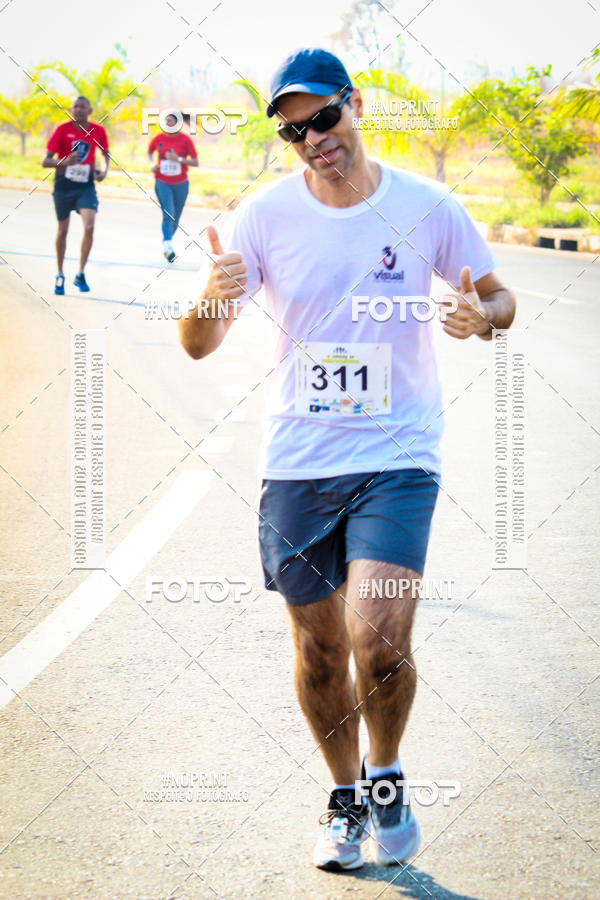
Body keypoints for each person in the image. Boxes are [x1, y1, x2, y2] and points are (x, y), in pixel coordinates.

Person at [179, 48, 516, 871]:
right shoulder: (262, 216)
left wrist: (484, 314)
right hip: (298, 461)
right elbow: (195, 344)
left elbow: (500, 295)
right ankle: (343, 793)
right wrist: (211, 297)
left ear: (353, 104)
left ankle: (389, 774)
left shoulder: (426, 204)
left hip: (400, 454)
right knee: (321, 649)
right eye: (294, 131)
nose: (314, 139)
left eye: (324, 118)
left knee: (381, 638)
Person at [42, 96, 109, 295]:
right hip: (63, 186)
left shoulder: (98, 131)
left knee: (89, 225)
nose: (79, 110)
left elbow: (106, 153)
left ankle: (80, 273)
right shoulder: (62, 130)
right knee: (63, 231)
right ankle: (60, 273)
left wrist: (104, 171)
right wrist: (64, 162)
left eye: (83, 107)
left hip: (85, 186)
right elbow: (45, 161)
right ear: (71, 109)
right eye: (76, 107)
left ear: (90, 110)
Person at [147, 113, 198, 262]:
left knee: (176, 217)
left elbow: (195, 161)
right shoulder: (159, 138)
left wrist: (179, 159)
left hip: (181, 183)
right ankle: (168, 247)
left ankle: (167, 238)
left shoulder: (185, 140)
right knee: (168, 213)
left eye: (170, 121)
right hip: (162, 181)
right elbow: (150, 152)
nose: (167, 123)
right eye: (166, 121)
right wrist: (152, 164)